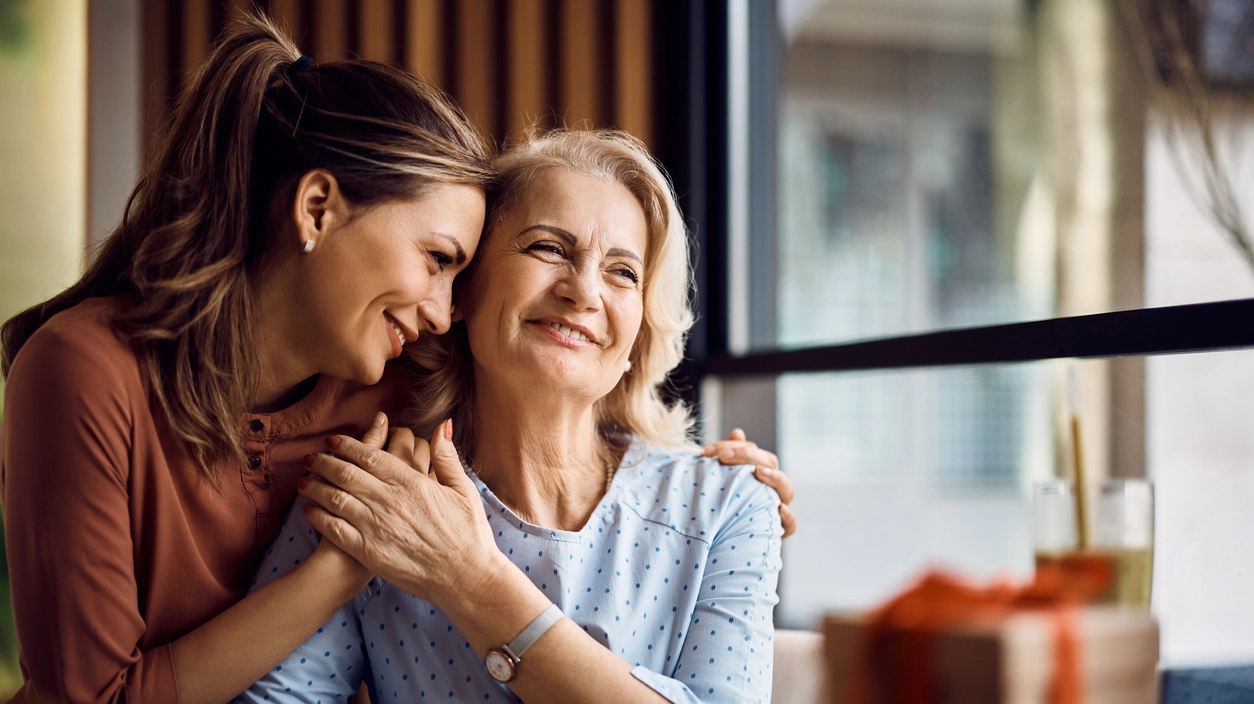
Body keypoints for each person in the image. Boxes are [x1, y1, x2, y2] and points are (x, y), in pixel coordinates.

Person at [0, 17, 791, 704]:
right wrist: (342, 570)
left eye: (624, 270)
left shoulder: (395, 383)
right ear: (317, 209)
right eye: (441, 260)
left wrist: (728, 483)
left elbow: (560, 384)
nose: (444, 310)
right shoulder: (95, 374)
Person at [238, 130, 785, 703]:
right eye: (548, 248)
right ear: (463, 292)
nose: (584, 292)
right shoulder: (378, 492)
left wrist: (470, 579)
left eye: (622, 272)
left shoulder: (729, 503)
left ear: (638, 337)